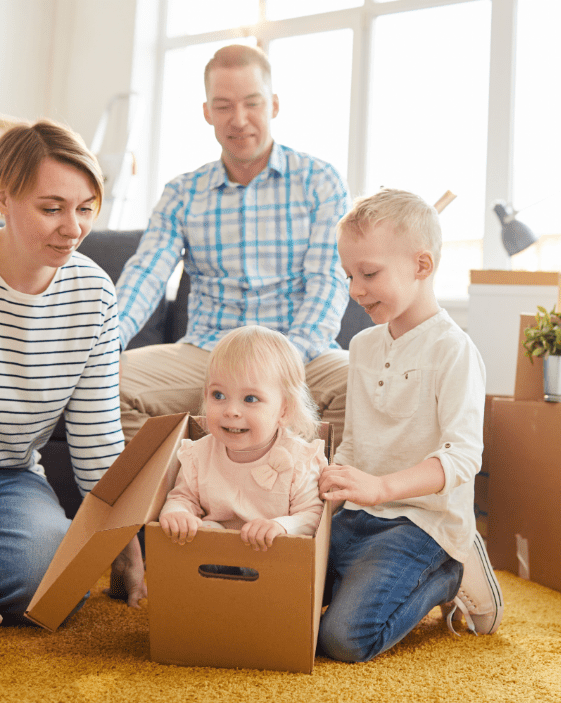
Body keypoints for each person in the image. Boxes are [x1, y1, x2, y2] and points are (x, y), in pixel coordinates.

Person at [115, 44, 350, 451]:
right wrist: (105, 340)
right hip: (208, 354)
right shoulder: (183, 193)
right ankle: (185, 496)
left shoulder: (320, 181)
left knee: (362, 385)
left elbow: (328, 281)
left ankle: (314, 509)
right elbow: (146, 273)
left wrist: (281, 363)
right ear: (206, 111)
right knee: (104, 384)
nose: (238, 120)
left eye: (252, 104)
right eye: (223, 106)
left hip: (301, 354)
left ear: (273, 105)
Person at [317, 187, 503, 664]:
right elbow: (355, 441)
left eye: (370, 273)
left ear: (422, 266)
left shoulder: (454, 351)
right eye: (349, 275)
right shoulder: (361, 346)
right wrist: (326, 495)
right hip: (360, 515)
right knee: (281, 599)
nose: (356, 289)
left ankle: (452, 572)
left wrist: (381, 487)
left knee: (342, 638)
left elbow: (463, 457)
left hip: (422, 522)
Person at [0, 120, 146, 625]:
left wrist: (124, 544)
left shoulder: (94, 292)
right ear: (3, 199)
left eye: (85, 209)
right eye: (51, 208)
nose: (73, 228)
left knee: (55, 581)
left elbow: (97, 436)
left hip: (10, 476)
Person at [159, 325, 326, 551]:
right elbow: (182, 497)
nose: (231, 411)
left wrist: (281, 526)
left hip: (273, 559)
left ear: (284, 410)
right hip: (212, 558)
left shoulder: (300, 459)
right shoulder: (197, 454)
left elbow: (313, 515)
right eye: (218, 395)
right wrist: (178, 513)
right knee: (206, 534)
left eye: (250, 398)